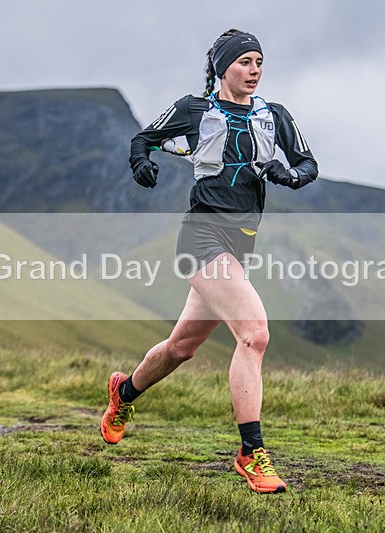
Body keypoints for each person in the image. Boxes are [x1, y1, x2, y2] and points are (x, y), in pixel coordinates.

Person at [101, 29, 318, 493]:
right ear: (223, 68)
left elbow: (307, 164)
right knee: (254, 334)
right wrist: (142, 164)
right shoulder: (194, 109)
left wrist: (289, 175)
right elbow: (145, 139)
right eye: (244, 62)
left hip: (241, 244)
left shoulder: (273, 115)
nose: (255, 70)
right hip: (201, 237)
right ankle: (250, 452)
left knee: (182, 348)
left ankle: (124, 392)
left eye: (260, 61)